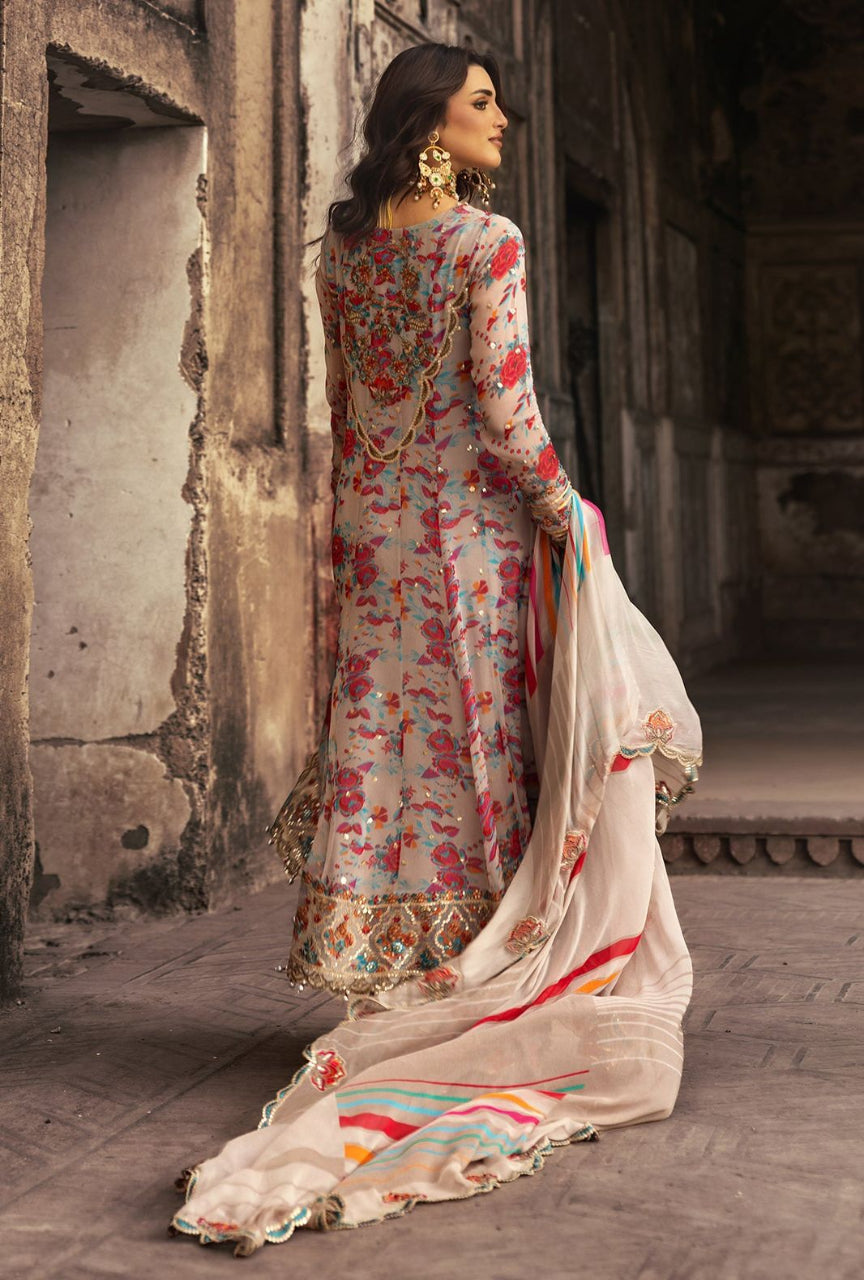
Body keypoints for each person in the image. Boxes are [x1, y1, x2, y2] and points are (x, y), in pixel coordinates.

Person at [170, 43, 702, 1255]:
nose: (502, 119)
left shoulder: (342, 253)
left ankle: (388, 980)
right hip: (469, 537)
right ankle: (472, 982)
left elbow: (354, 406)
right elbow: (509, 410)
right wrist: (570, 511)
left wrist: (372, 513)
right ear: (427, 124)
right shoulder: (486, 242)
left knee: (384, 742)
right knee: (484, 739)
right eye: (479, 104)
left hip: (376, 531)